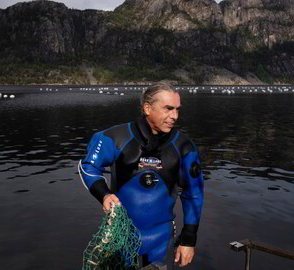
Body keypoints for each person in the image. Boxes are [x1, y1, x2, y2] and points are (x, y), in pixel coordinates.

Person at [78, 82, 204, 268]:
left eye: (177, 110)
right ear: (147, 108)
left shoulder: (184, 147)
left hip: (161, 241)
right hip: (120, 239)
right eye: (168, 109)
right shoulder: (115, 138)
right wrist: (104, 194)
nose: (174, 116)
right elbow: (88, 166)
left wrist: (189, 239)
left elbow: (193, 193)